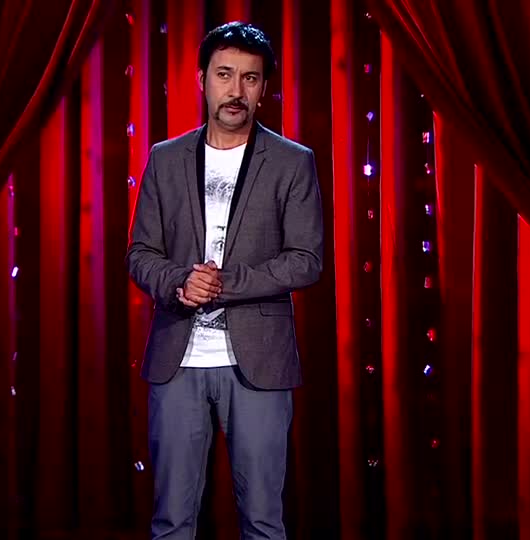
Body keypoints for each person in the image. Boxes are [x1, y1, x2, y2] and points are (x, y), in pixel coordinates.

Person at [126, 21, 323, 540]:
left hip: (260, 361)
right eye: (224, 75)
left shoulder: (292, 162)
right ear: (202, 80)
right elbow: (140, 253)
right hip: (177, 358)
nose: (236, 90)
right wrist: (179, 282)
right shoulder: (164, 158)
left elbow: (306, 260)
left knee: (262, 520)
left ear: (264, 88)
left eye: (250, 79)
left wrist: (223, 283)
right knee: (172, 521)